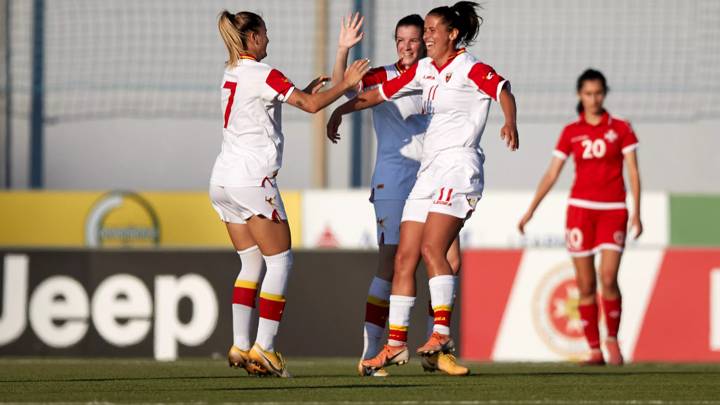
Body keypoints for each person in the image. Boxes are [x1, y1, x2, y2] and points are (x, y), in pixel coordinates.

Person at [327, 1, 519, 373]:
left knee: (437, 250)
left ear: (452, 33)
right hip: (426, 173)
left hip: (458, 167)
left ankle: (440, 336)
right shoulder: (426, 70)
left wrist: (509, 121)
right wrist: (340, 109)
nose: (426, 36)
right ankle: (396, 345)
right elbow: (378, 93)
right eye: (424, 30)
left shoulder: (471, 67)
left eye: (431, 30)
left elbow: (503, 90)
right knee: (404, 257)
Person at [212, 10, 368, 377]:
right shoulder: (265, 73)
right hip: (252, 180)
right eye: (264, 34)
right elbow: (311, 107)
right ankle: (264, 348)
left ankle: (238, 344)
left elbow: (276, 105)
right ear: (251, 38)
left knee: (250, 263)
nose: (268, 39)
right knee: (280, 262)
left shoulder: (231, 73)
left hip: (222, 180)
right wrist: (346, 83)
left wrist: (309, 91)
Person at [330, 14, 467, 377]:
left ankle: (436, 346)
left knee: (451, 259)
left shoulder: (434, 73)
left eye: (413, 40)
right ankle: (372, 352)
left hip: (434, 178)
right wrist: (343, 48)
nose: (407, 46)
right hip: (393, 181)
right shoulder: (383, 76)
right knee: (391, 265)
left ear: (425, 41)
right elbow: (346, 88)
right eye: (400, 40)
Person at [518, 69, 642, 366]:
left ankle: (611, 339)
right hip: (580, 211)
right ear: (579, 95)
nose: (594, 98)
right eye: (588, 93)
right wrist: (531, 209)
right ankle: (594, 349)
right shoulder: (571, 132)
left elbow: (633, 171)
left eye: (598, 93)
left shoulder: (622, 128)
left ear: (604, 93)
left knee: (608, 278)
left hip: (613, 210)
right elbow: (552, 173)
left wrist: (637, 212)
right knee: (585, 285)